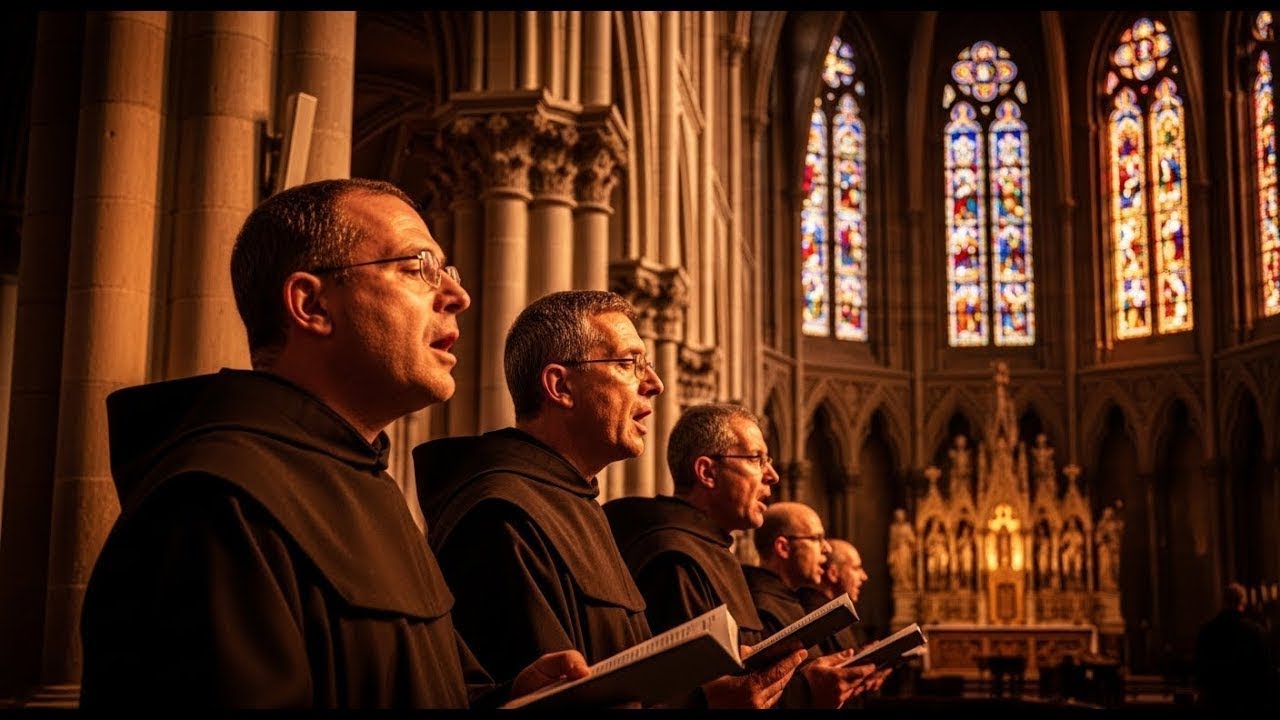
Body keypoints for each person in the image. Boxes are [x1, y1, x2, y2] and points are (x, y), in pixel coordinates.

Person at [78, 179, 587, 708]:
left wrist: (510, 700)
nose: (458, 297)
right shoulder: (218, 500)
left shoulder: (366, 481)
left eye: (448, 272)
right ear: (311, 304)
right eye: (417, 267)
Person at [415, 291, 657, 690]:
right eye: (630, 363)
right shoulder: (500, 512)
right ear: (560, 386)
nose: (654, 384)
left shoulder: (575, 498)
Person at [603, 402, 807, 708]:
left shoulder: (709, 548)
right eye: (757, 459)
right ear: (707, 472)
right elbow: (696, 688)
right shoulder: (675, 557)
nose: (773, 475)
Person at [745, 502, 878, 708]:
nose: (826, 548)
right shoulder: (760, 605)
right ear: (783, 547)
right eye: (817, 539)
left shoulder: (789, 599)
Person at [1192, 582, 1277, 711]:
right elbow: (1264, 670)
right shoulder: (1255, 631)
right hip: (1247, 700)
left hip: (1216, 701)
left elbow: (1199, 667)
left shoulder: (1208, 630)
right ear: (1243, 602)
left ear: (1224, 601)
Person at [888, 508, 916, 591]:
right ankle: (900, 583)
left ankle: (906, 583)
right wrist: (890, 555)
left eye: (901, 516)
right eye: (898, 516)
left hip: (905, 550)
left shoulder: (907, 527)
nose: (900, 518)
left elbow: (912, 540)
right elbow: (891, 542)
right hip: (897, 551)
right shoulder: (893, 528)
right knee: (898, 569)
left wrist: (906, 540)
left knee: (906, 567)